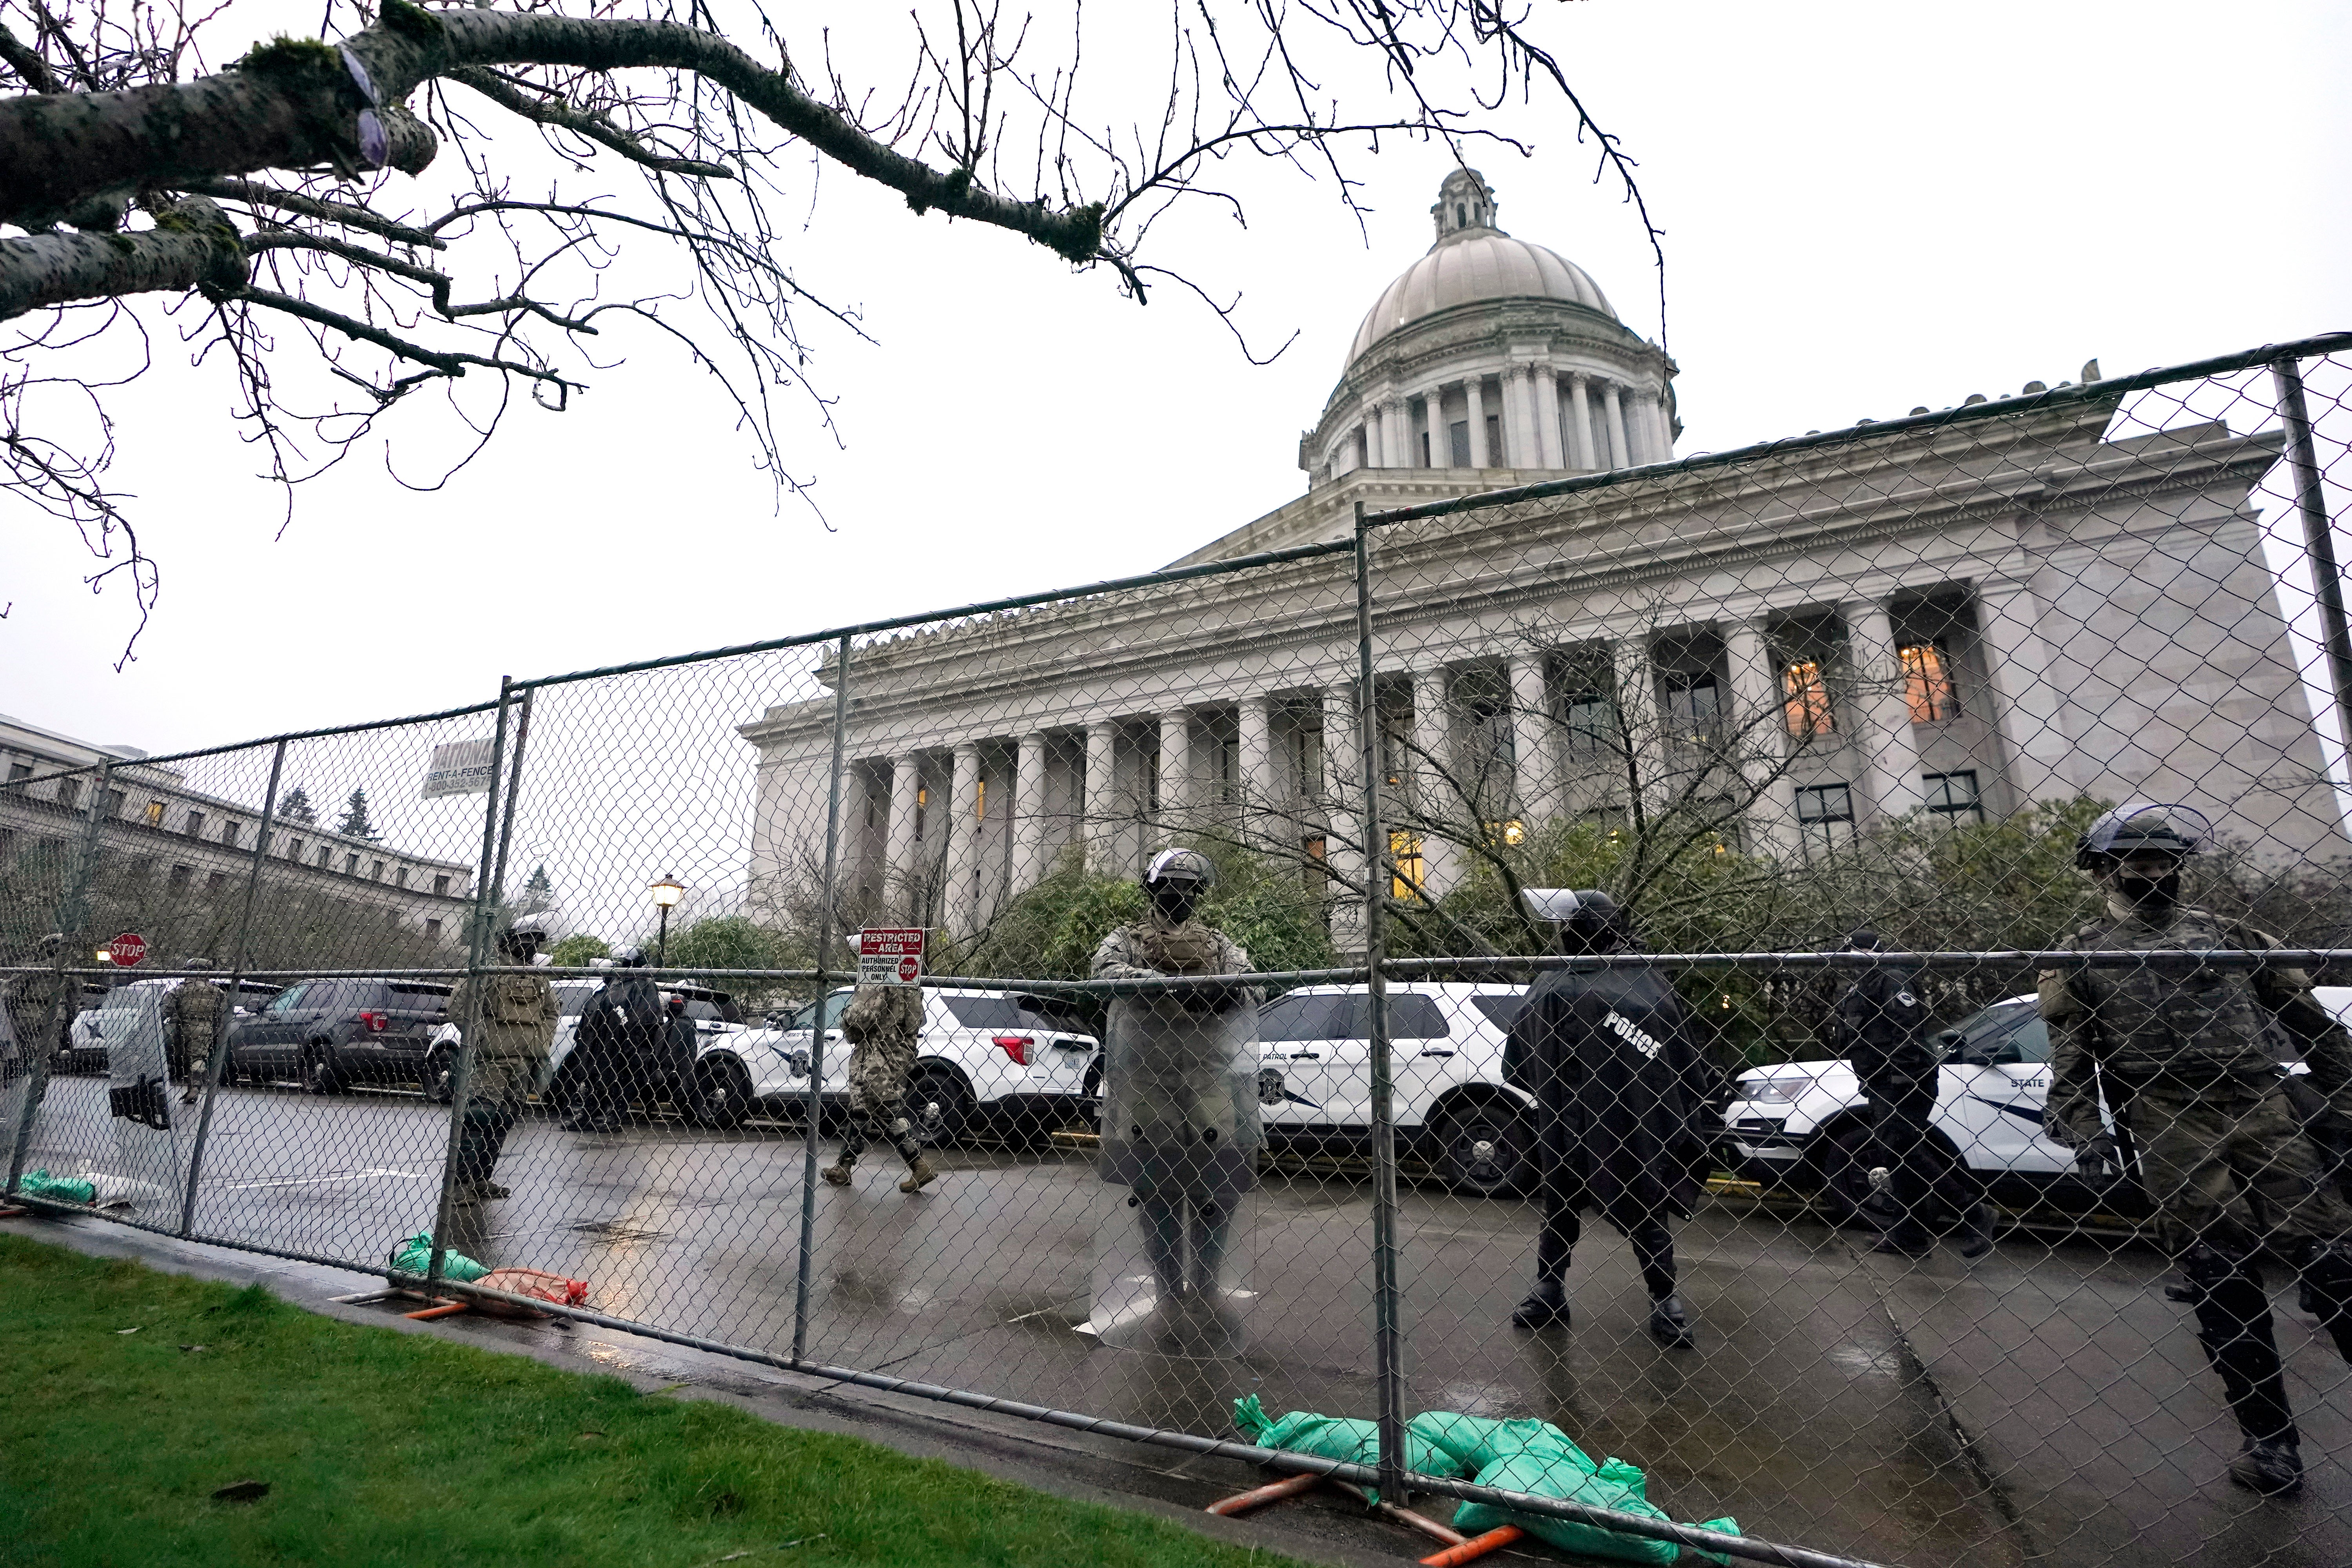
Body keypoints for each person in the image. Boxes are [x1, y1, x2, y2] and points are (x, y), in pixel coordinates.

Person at [2040, 803, 2352, 1497]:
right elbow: (2072, 1050)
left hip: (2259, 1103)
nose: (2155, 872)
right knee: (2222, 1276)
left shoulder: (2230, 936)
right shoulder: (2083, 951)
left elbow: (2309, 1021)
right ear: (2105, 869)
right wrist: (2080, 1122)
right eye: (2139, 861)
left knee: (2333, 1259)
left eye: (2165, 861)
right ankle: (2270, 1442)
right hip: (2170, 1115)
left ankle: (2272, 1436)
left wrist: (2347, 1099)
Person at [1506, 889, 1722, 1350]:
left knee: (1638, 1203)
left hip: (1625, 1120)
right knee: (1563, 1202)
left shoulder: (1633, 979)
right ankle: (1551, 1289)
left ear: (1581, 929)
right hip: (1577, 1119)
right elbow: (1523, 1050)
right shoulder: (1567, 978)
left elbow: (1674, 1051)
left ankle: (1665, 1299)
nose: (1561, 933)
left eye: (1567, 926)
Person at [1091, 848, 1262, 1343]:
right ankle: (1169, 1286)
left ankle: (1206, 1281)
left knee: (1217, 1183)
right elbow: (1104, 972)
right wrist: (1169, 986)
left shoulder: (1219, 943)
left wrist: (1224, 989)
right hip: (1148, 1074)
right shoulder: (1127, 938)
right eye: (1171, 885)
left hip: (1209, 1073)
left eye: (1189, 887)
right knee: (1156, 1185)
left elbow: (1256, 985)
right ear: (1152, 888)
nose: (1180, 895)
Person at [1829, 931, 1993, 1259]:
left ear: (1871, 951)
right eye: (1848, 953)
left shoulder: (1892, 979)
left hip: (1905, 1080)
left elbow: (1905, 1029)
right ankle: (1911, 1235)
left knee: (1902, 1150)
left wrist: (1902, 1077)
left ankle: (1974, 1212)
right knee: (1897, 1157)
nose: (1851, 958)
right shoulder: (1860, 986)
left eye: (1856, 951)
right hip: (1880, 1082)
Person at [445, 918, 559, 1201]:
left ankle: (482, 1179)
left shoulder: (537, 977)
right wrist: (483, 1038)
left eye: (536, 939)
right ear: (509, 939)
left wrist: (540, 1043)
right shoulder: (490, 969)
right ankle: (459, 1184)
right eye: (525, 937)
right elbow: (459, 1007)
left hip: (524, 1063)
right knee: (478, 1118)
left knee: (504, 1120)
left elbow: (552, 1013)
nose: (531, 944)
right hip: (492, 1061)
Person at [821, 984, 937, 1193]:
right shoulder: (911, 985)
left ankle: (919, 1165)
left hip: (876, 1056)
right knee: (861, 1109)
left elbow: (859, 1020)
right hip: (899, 1053)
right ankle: (844, 1166)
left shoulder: (875, 980)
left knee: (886, 1109)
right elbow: (915, 1023)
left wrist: (846, 1017)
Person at [566, 944, 662, 1133]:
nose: (619, 967)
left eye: (623, 963)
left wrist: (632, 1041)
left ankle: (615, 1117)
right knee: (597, 1077)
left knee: (624, 1080)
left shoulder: (644, 984)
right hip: (606, 1041)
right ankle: (588, 1114)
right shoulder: (616, 983)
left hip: (629, 1042)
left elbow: (645, 1017)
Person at [4, 933, 69, 1088]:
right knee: (46, 1051)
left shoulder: (33, 968)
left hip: (28, 1012)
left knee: (19, 1047)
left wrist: (10, 1010)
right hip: (56, 1015)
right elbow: (75, 999)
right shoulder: (71, 972)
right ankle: (41, 1079)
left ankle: (17, 1072)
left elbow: (10, 991)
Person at [169, 958, 228, 1107]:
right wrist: (216, 1030)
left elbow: (166, 1009)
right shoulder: (217, 992)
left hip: (183, 1026)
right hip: (205, 1027)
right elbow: (223, 1014)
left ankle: (192, 1087)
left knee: (184, 1058)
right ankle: (194, 1087)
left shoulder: (181, 990)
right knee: (198, 1058)